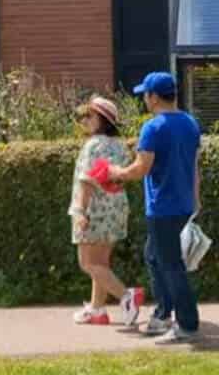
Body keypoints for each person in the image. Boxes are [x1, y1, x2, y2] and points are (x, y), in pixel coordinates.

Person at [106, 73, 203, 345]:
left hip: (163, 208)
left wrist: (116, 172)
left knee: (172, 266)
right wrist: (196, 199)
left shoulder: (153, 128)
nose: (144, 100)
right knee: (154, 256)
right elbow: (194, 166)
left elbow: (141, 168)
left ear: (154, 96)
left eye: (145, 95)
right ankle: (162, 314)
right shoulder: (190, 123)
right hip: (183, 205)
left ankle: (187, 324)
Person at [69, 97, 142, 328]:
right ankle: (97, 311)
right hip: (115, 208)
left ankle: (126, 297)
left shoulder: (93, 145)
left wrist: (80, 211)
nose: (85, 120)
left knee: (87, 263)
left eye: (89, 116)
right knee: (101, 264)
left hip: (95, 210)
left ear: (101, 120)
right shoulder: (119, 145)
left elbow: (86, 181)